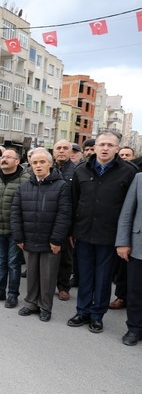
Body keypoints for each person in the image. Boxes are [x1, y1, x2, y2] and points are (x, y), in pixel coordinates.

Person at [68, 130, 137, 333]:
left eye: (110, 145)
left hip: (110, 235)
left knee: (104, 277)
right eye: (102, 144)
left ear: (117, 148)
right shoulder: (81, 170)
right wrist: (72, 230)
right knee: (85, 275)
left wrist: (125, 238)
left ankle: (97, 315)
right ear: (95, 147)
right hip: (83, 232)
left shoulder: (128, 172)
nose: (105, 148)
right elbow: (74, 201)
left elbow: (131, 207)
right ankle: (82, 311)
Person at [11, 148, 71, 322]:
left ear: (50, 164)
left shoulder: (61, 186)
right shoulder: (24, 187)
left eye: (42, 162)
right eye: (35, 162)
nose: (38, 165)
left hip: (50, 241)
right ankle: (31, 303)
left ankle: (45, 306)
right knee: (32, 274)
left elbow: (64, 215)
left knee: (47, 276)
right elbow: (16, 213)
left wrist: (56, 239)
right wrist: (19, 237)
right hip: (28, 239)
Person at [0, 148, 30, 308]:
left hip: (16, 231)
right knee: (0, 262)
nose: (4, 159)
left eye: (9, 157)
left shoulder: (26, 179)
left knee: (14, 263)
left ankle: (12, 294)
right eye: (3, 157)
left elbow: (29, 207)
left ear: (17, 161)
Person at [115, 171, 142, 346]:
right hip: (139, 246)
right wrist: (123, 242)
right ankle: (134, 328)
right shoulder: (139, 178)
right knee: (135, 290)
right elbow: (127, 213)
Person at [51, 140, 77, 302]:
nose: (61, 151)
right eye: (58, 148)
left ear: (71, 151)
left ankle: (63, 287)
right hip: (47, 220)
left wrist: (74, 228)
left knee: (66, 257)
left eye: (65, 148)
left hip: (67, 221)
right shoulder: (47, 168)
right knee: (47, 255)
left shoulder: (77, 171)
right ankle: (46, 284)